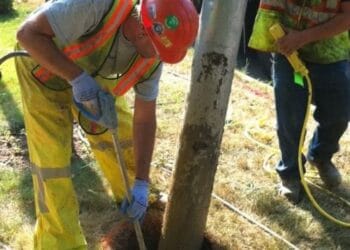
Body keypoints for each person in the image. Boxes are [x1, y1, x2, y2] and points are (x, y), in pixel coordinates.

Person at [15, 0, 198, 248]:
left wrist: (142, 181)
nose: (158, 58)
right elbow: (27, 34)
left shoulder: (151, 58)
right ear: (144, 29)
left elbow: (144, 119)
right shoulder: (95, 5)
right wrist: (77, 78)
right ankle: (58, 242)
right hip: (41, 69)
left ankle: (137, 199)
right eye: (158, 50)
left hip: (89, 77)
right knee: (52, 164)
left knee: (121, 136)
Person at [249, 0, 350, 203]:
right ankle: (291, 174)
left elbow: (347, 17)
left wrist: (303, 37)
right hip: (288, 50)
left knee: (339, 114)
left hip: (332, 53)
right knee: (290, 119)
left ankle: (320, 156)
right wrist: (285, 36)